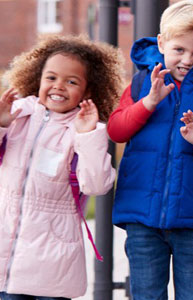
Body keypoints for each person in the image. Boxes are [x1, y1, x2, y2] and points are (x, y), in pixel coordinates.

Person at [106, 1, 193, 298]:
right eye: (179, 50)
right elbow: (117, 130)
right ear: (162, 43)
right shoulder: (140, 85)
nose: (187, 60)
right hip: (142, 217)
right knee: (146, 294)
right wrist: (148, 103)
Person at [0, 35, 122, 300]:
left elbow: (97, 185)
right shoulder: (18, 114)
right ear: (38, 78)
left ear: (88, 91)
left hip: (54, 259)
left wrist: (87, 136)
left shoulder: (84, 131)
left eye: (72, 81)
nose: (59, 86)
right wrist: (1, 125)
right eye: (51, 78)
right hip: (5, 253)